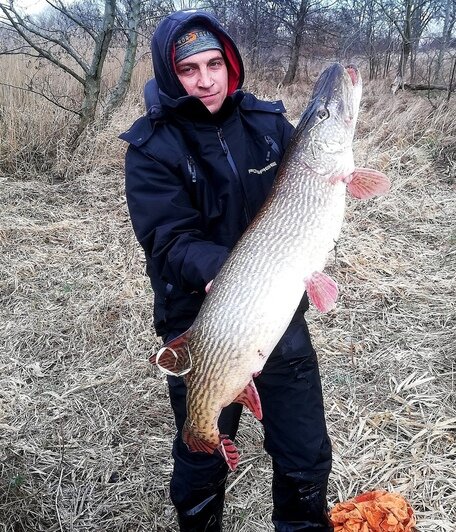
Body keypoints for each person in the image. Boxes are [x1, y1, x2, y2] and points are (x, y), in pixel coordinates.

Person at [120, 9, 333, 532]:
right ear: (171, 75)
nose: (206, 79)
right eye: (189, 69)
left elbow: (309, 189)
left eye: (215, 63)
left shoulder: (266, 125)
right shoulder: (151, 148)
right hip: (201, 320)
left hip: (274, 313)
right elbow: (166, 240)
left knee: (305, 452)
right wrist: (226, 271)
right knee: (203, 447)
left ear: (230, 63)